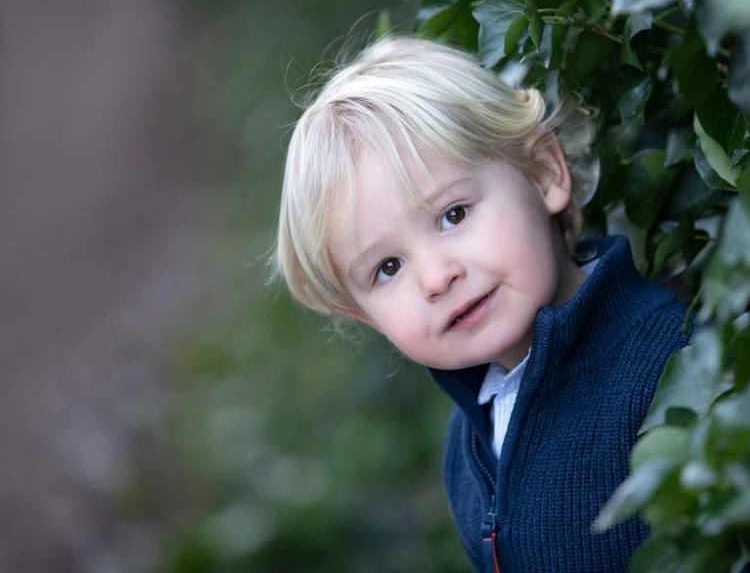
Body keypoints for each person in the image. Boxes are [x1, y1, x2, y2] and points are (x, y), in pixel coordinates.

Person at [273, 36, 692, 572]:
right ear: (366, 317)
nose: (436, 277)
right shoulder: (469, 438)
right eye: (388, 268)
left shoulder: (668, 369)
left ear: (543, 173)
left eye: (454, 215)